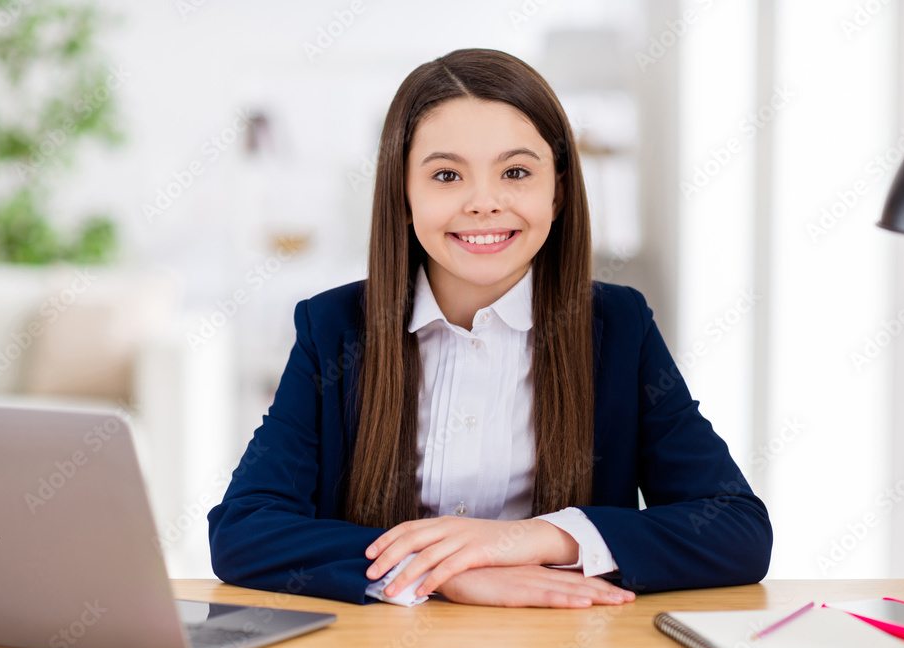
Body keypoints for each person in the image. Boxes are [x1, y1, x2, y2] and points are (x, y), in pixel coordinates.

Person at [208, 48, 772, 609]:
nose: (484, 203)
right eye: (447, 175)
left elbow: (736, 529)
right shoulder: (333, 328)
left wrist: (538, 539)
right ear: (403, 195)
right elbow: (244, 530)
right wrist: (439, 573)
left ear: (558, 191)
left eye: (517, 172)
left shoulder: (619, 327)